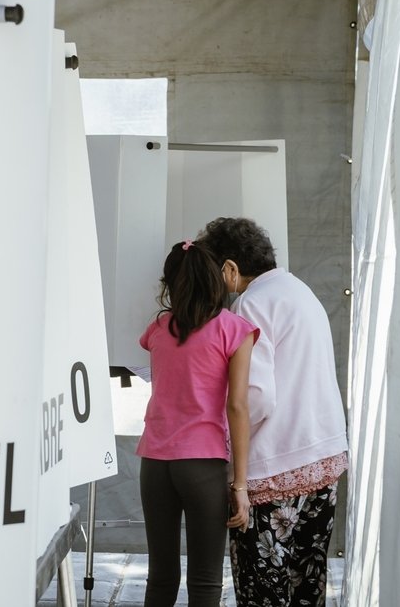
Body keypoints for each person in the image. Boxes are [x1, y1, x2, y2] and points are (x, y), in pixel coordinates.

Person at [197, 217, 349, 607]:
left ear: (230, 269)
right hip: (324, 455)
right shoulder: (299, 290)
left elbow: (255, 397)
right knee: (307, 583)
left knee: (262, 588)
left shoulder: (250, 304)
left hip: (275, 465)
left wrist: (227, 451)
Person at [137, 239, 259, 607]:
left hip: (154, 464)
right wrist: (240, 485)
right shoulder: (235, 330)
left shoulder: (158, 328)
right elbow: (236, 407)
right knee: (205, 582)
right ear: (217, 278)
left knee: (161, 578)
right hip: (203, 465)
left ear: (169, 284)